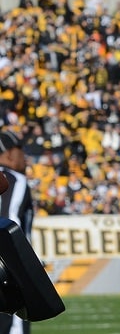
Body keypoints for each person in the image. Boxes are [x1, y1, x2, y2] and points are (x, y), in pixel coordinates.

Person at [0, 129, 33, 334]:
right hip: (7, 276)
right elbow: (9, 221)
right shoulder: (13, 180)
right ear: (10, 153)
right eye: (21, 151)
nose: (25, 158)